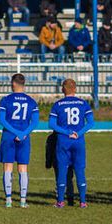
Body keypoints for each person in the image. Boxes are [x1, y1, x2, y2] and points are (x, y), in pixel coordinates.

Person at [48, 78, 93, 208]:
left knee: (62, 170)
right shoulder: (83, 103)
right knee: (80, 170)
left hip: (63, 140)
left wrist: (66, 132)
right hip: (78, 141)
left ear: (63, 89)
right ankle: (83, 202)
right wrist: (78, 133)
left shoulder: (58, 105)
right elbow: (90, 123)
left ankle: (60, 201)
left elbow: (52, 124)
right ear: (75, 89)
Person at [0, 73, 38, 208]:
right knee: (23, 168)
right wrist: (23, 133)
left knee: (7, 167)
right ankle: (22, 201)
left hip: (9, 136)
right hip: (24, 138)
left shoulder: (6, 100)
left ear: (14, 84)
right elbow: (34, 122)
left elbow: (2, 120)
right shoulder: (31, 101)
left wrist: (15, 132)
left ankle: (8, 200)